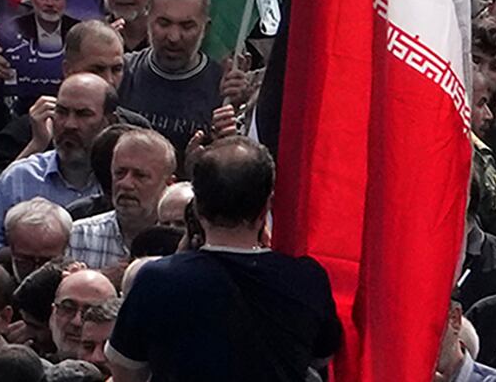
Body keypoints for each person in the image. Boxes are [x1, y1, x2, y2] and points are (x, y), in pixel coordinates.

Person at [102, 138, 340, 382]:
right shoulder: (306, 279)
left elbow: (126, 370)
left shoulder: (158, 280)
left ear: (197, 208)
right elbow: (321, 358)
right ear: (266, 204)